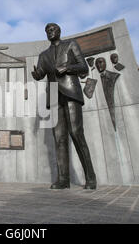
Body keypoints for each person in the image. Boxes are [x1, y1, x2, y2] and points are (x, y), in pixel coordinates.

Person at [31, 23, 96, 189]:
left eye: (52, 30)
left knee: (76, 133)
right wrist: (37, 75)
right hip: (54, 96)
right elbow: (40, 73)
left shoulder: (71, 44)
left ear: (59, 31)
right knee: (59, 139)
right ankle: (63, 179)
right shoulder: (43, 55)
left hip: (71, 92)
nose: (50, 32)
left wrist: (67, 67)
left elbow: (84, 67)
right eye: (47, 31)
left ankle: (90, 177)